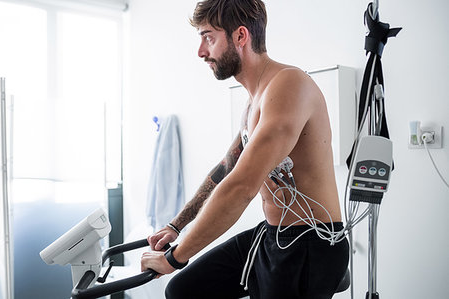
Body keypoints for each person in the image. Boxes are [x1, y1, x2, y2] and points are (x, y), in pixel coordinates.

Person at [140, 0, 349, 298]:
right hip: (272, 235)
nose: (201, 52)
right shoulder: (255, 100)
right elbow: (226, 169)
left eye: (209, 38)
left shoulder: (289, 84)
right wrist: (176, 226)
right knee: (184, 290)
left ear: (240, 36)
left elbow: (241, 186)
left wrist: (175, 257)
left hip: (310, 243)